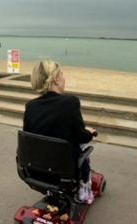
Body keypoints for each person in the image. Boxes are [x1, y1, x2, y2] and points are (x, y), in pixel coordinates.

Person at [23, 59, 96, 203]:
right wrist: (90, 132)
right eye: (62, 75)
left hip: (36, 170)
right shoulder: (71, 102)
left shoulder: (30, 106)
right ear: (56, 79)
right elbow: (82, 136)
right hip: (64, 172)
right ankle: (84, 189)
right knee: (83, 150)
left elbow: (30, 137)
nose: (64, 78)